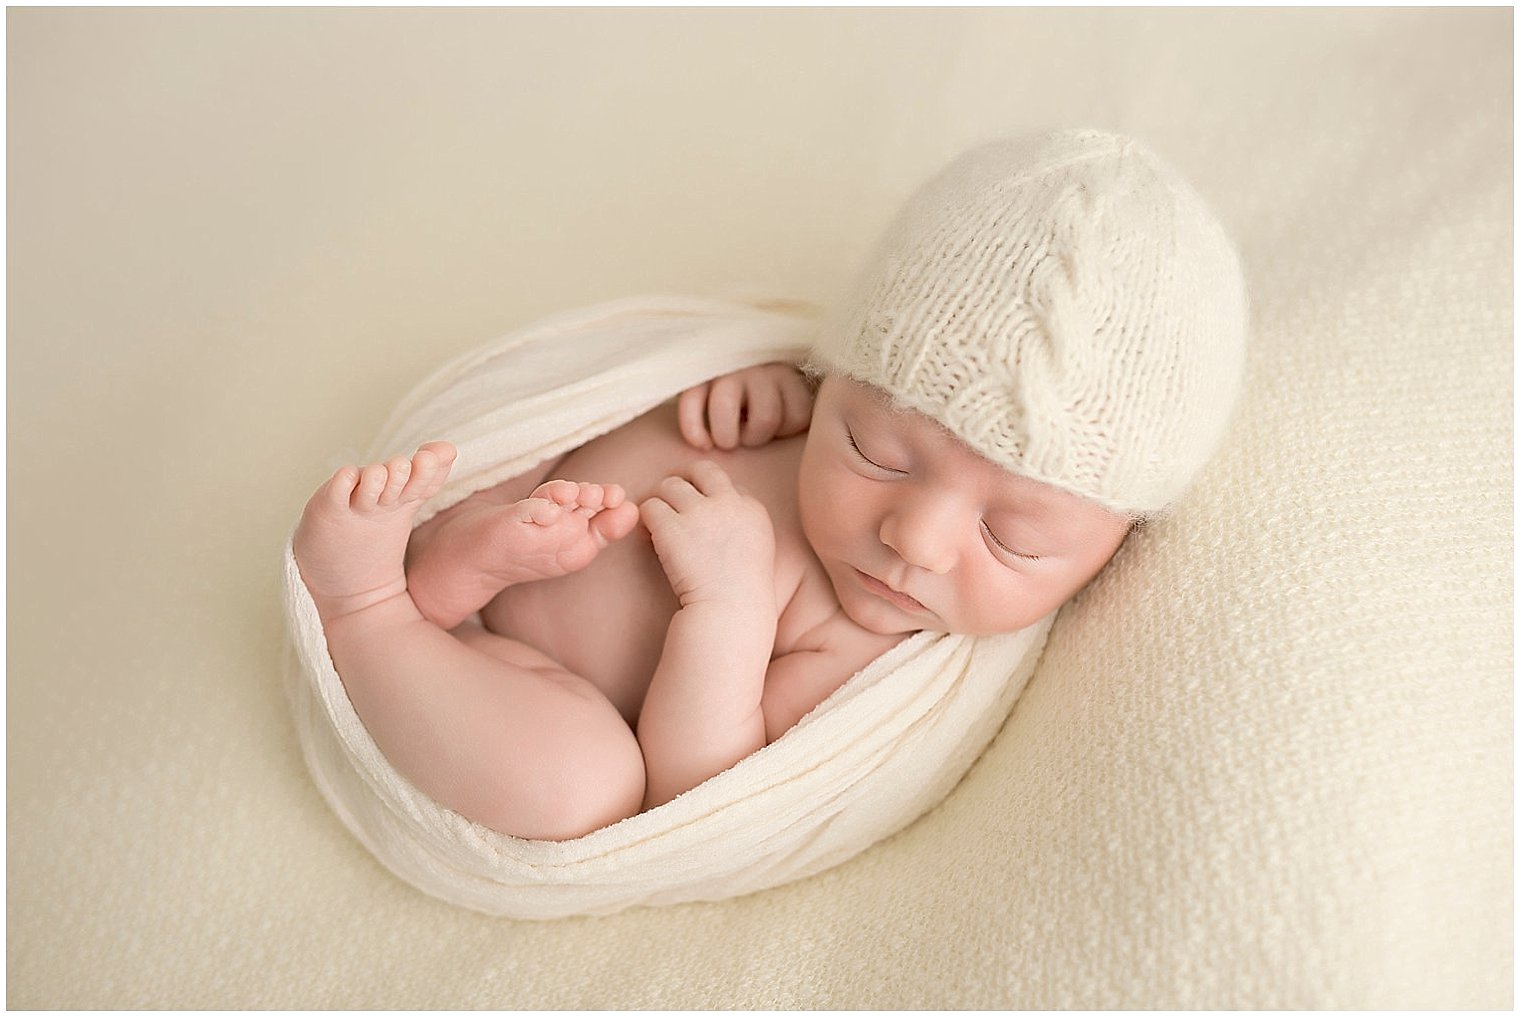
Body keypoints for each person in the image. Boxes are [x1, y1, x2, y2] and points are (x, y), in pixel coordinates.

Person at [291, 128, 1247, 842]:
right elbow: (703, 381)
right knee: (518, 458)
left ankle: (369, 606)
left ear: (1113, 544)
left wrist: (730, 605)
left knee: (579, 788)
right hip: (523, 509)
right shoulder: (794, 402)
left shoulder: (859, 640)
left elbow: (697, 780)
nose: (913, 539)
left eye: (1015, 539)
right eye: (875, 447)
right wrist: (749, 392)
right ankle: (450, 553)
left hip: (524, 683)